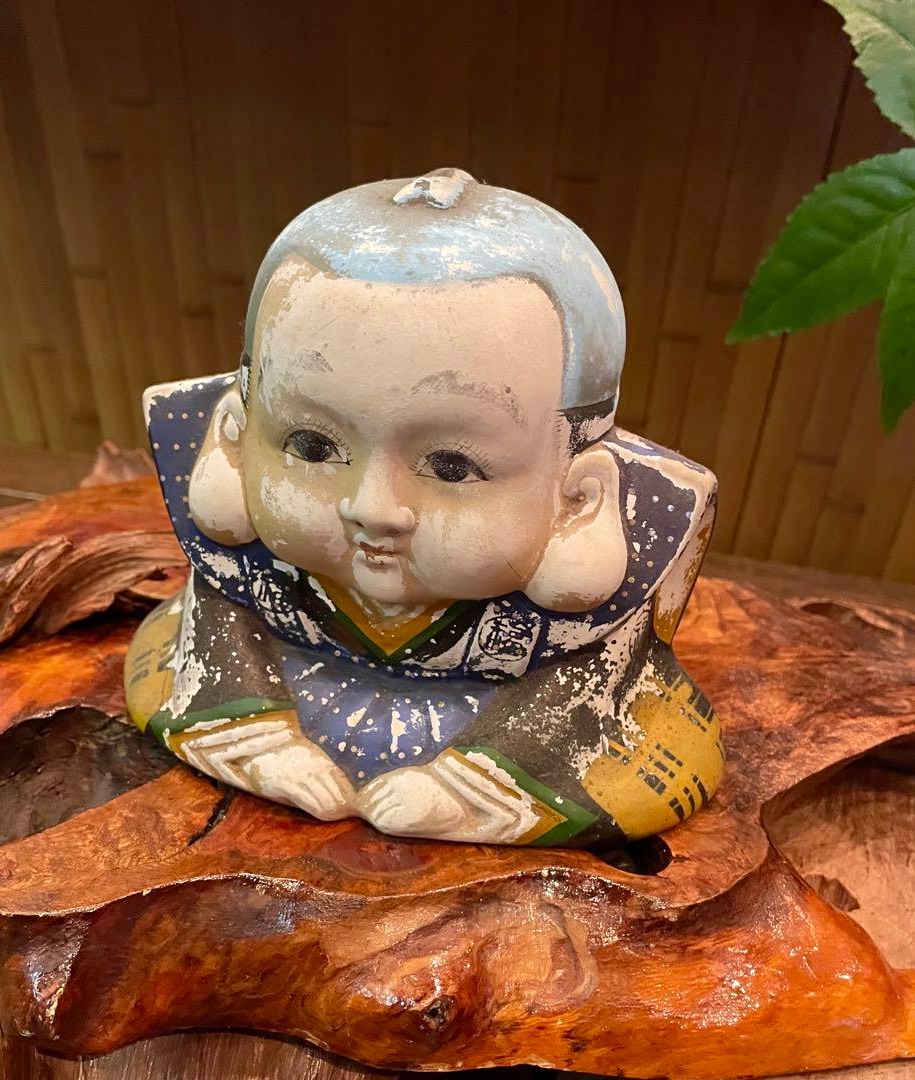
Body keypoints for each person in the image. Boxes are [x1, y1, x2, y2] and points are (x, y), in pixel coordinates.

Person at [126, 168, 722, 846]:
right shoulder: (245, 574)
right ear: (237, 436)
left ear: (577, 496)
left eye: (451, 466)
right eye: (313, 446)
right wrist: (254, 739)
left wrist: (471, 789)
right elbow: (208, 645)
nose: (372, 508)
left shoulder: (591, 623)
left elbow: (606, 713)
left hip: (504, 741)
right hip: (281, 698)